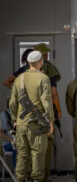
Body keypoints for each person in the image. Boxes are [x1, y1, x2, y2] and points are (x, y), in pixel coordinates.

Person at [9, 51, 55, 181]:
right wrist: (50, 122)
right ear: (40, 62)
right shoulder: (43, 78)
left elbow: (12, 102)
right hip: (36, 125)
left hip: (21, 123)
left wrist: (14, 120)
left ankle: (20, 179)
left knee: (22, 155)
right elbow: (46, 101)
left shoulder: (19, 78)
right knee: (38, 155)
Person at [33, 43, 62, 182]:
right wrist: (59, 110)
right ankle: (44, 177)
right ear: (44, 55)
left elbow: (9, 82)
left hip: (29, 115)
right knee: (47, 145)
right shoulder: (49, 68)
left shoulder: (26, 70)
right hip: (46, 113)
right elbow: (54, 92)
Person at [0, 98, 17, 168]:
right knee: (17, 149)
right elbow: (1, 134)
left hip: (19, 141)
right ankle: (18, 175)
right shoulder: (3, 115)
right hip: (8, 143)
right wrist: (12, 140)